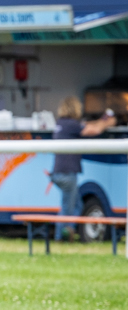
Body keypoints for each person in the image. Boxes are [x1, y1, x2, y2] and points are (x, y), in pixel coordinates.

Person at [51, 96, 116, 240]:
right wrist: (107, 123)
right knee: (69, 208)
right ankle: (59, 238)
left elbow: (86, 124)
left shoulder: (61, 123)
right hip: (68, 173)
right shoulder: (72, 125)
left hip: (58, 172)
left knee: (76, 205)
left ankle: (68, 232)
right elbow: (93, 130)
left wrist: (101, 120)